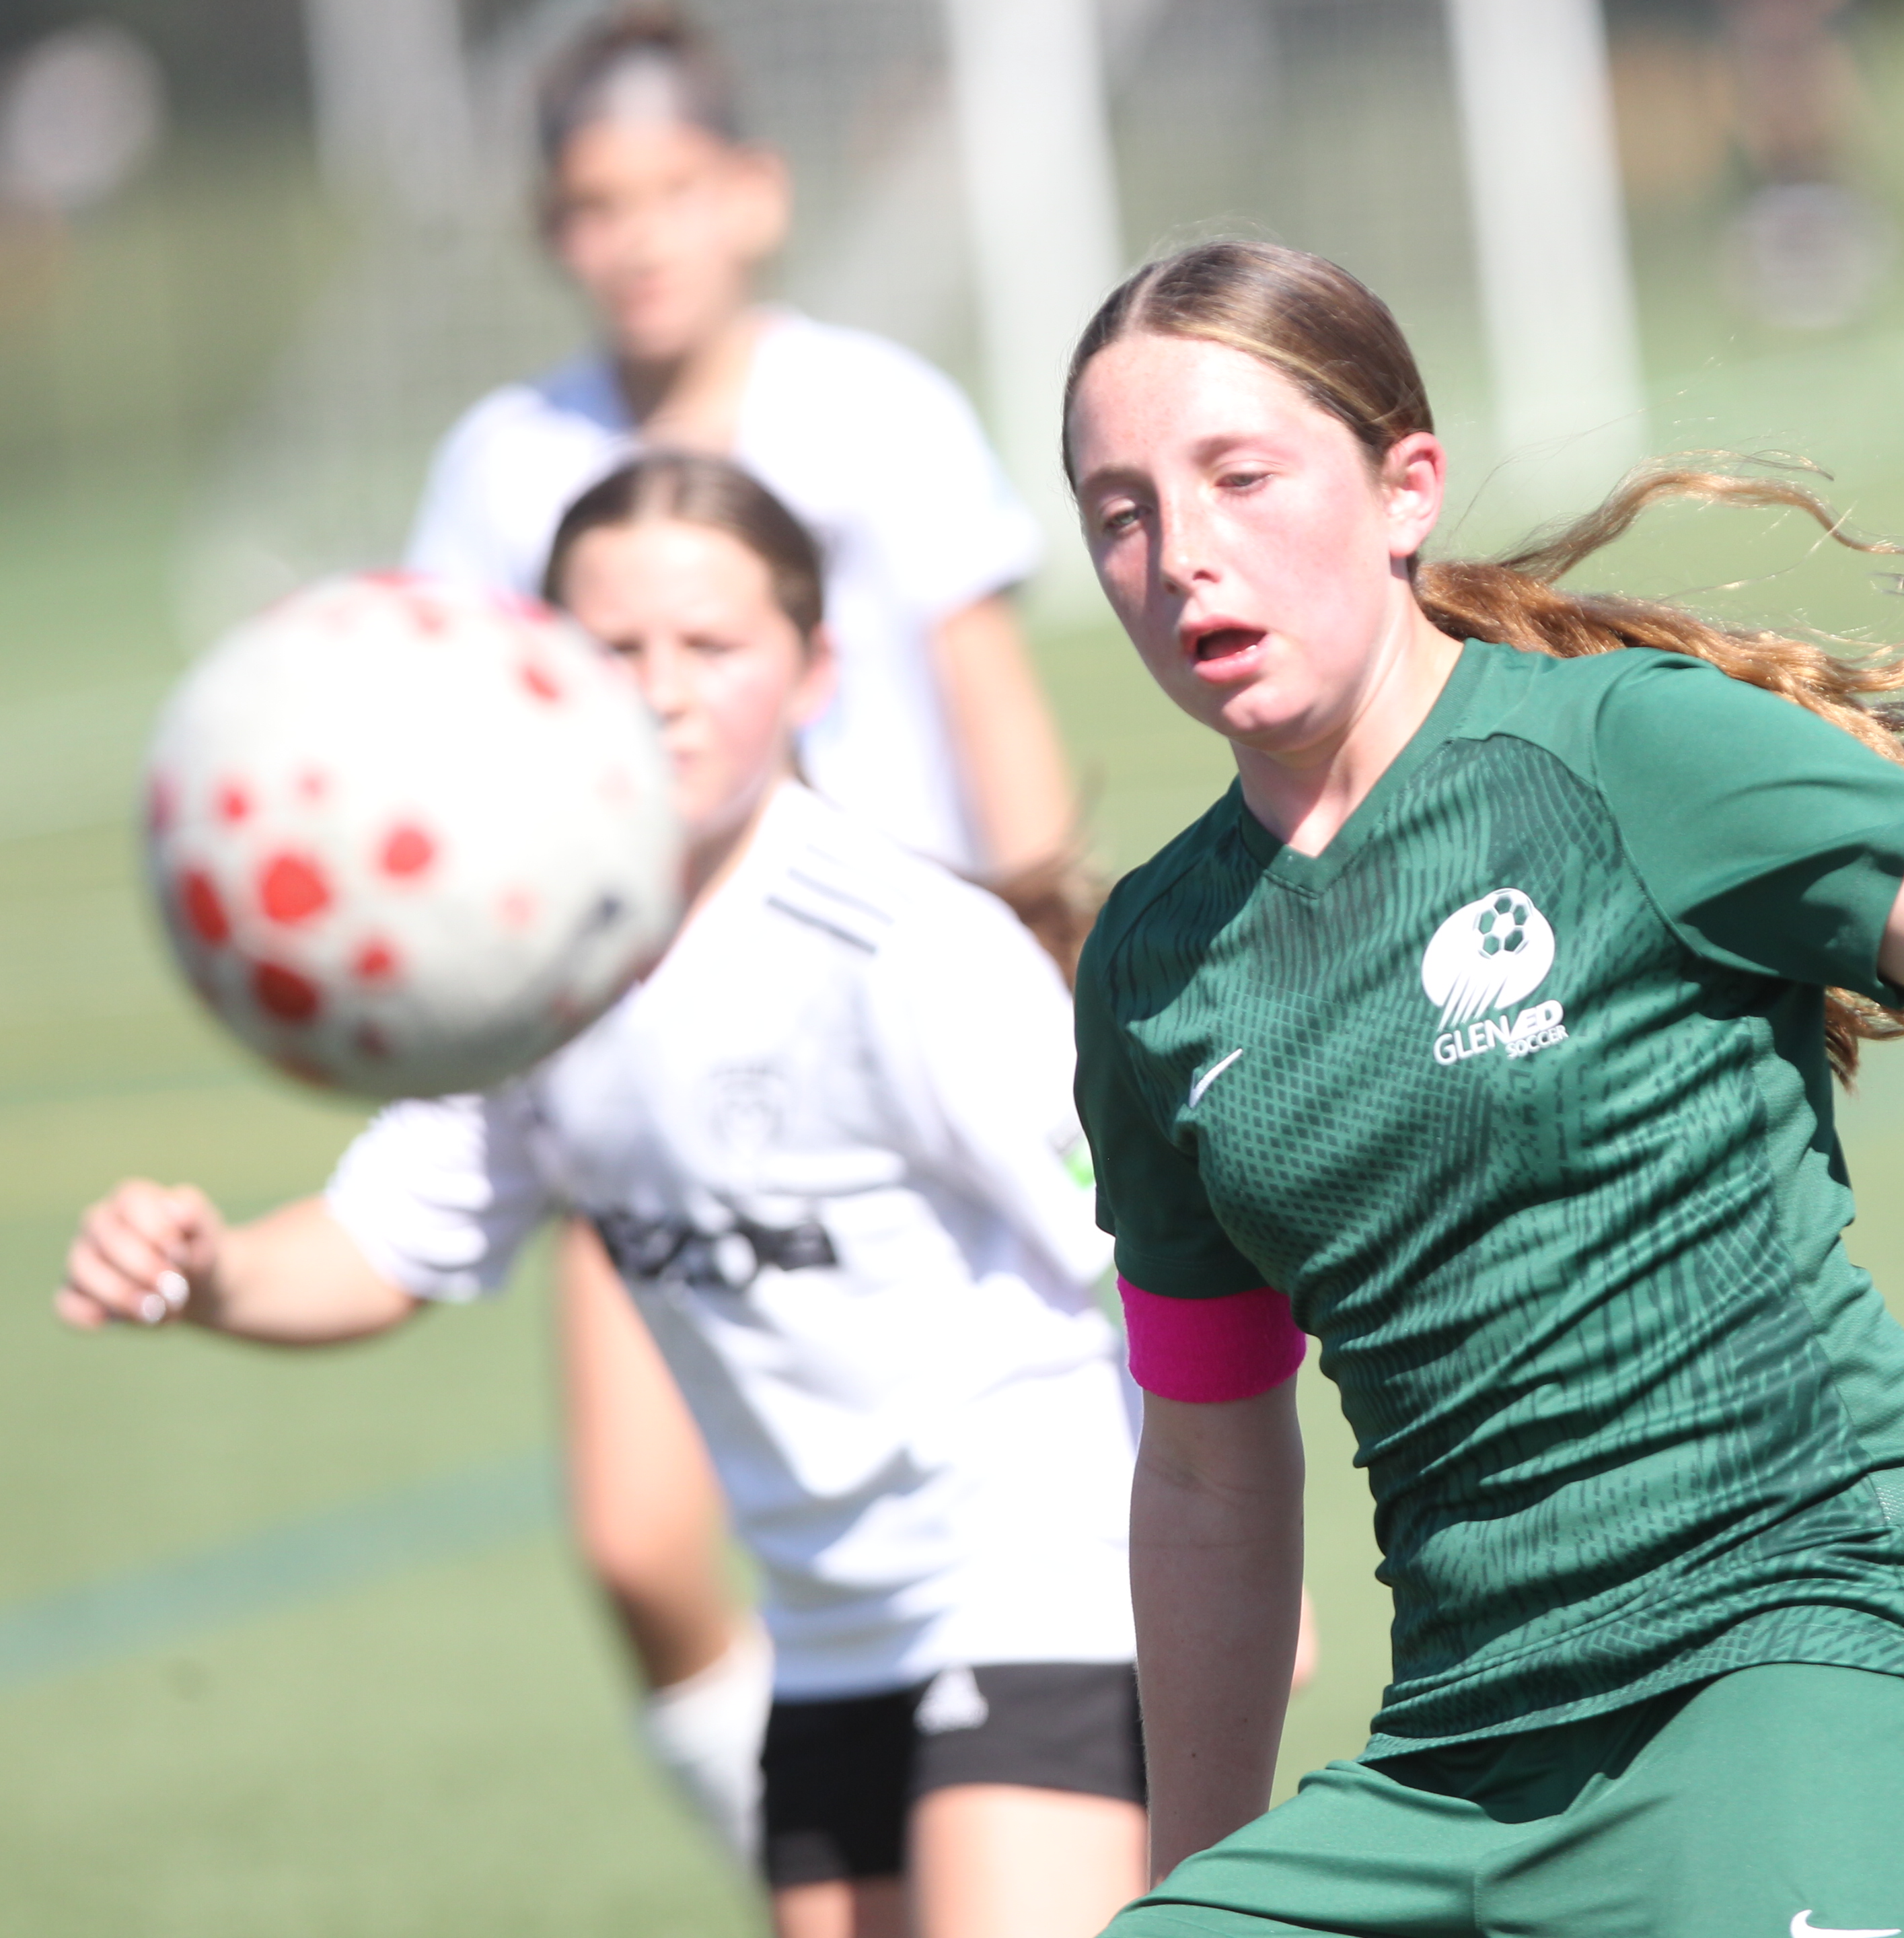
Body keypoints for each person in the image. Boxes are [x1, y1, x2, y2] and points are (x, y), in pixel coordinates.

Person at [1056, 242, 1904, 1936]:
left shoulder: (1630, 751)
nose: (1181, 553)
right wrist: (1197, 1892)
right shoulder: (1153, 967)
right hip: (1462, 1755)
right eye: (1120, 513)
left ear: (1405, 486)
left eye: (1241, 477)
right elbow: (1210, 1475)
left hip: (1795, 1645)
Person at [59, 454, 1148, 1938]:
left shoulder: (903, 952)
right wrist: (203, 1274)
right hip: (826, 1636)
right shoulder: (536, 968)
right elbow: (385, 1243)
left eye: (712, 646)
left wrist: (1227, 1563)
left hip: (1047, 1582)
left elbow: (1144, 1255)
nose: (664, 692)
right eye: (614, 649)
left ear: (817, 673)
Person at [400, 3, 1086, 1851]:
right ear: (552, 232)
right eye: (595, 205)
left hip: (893, 1058)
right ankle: (822, 1843)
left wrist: (1049, 947)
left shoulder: (872, 409)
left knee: (976, 1486)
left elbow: (985, 701)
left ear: (757, 196)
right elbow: (459, 755)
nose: (639, 237)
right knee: (636, 1545)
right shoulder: (503, 462)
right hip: (633, 1051)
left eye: (675, 190)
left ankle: (1040, 1782)